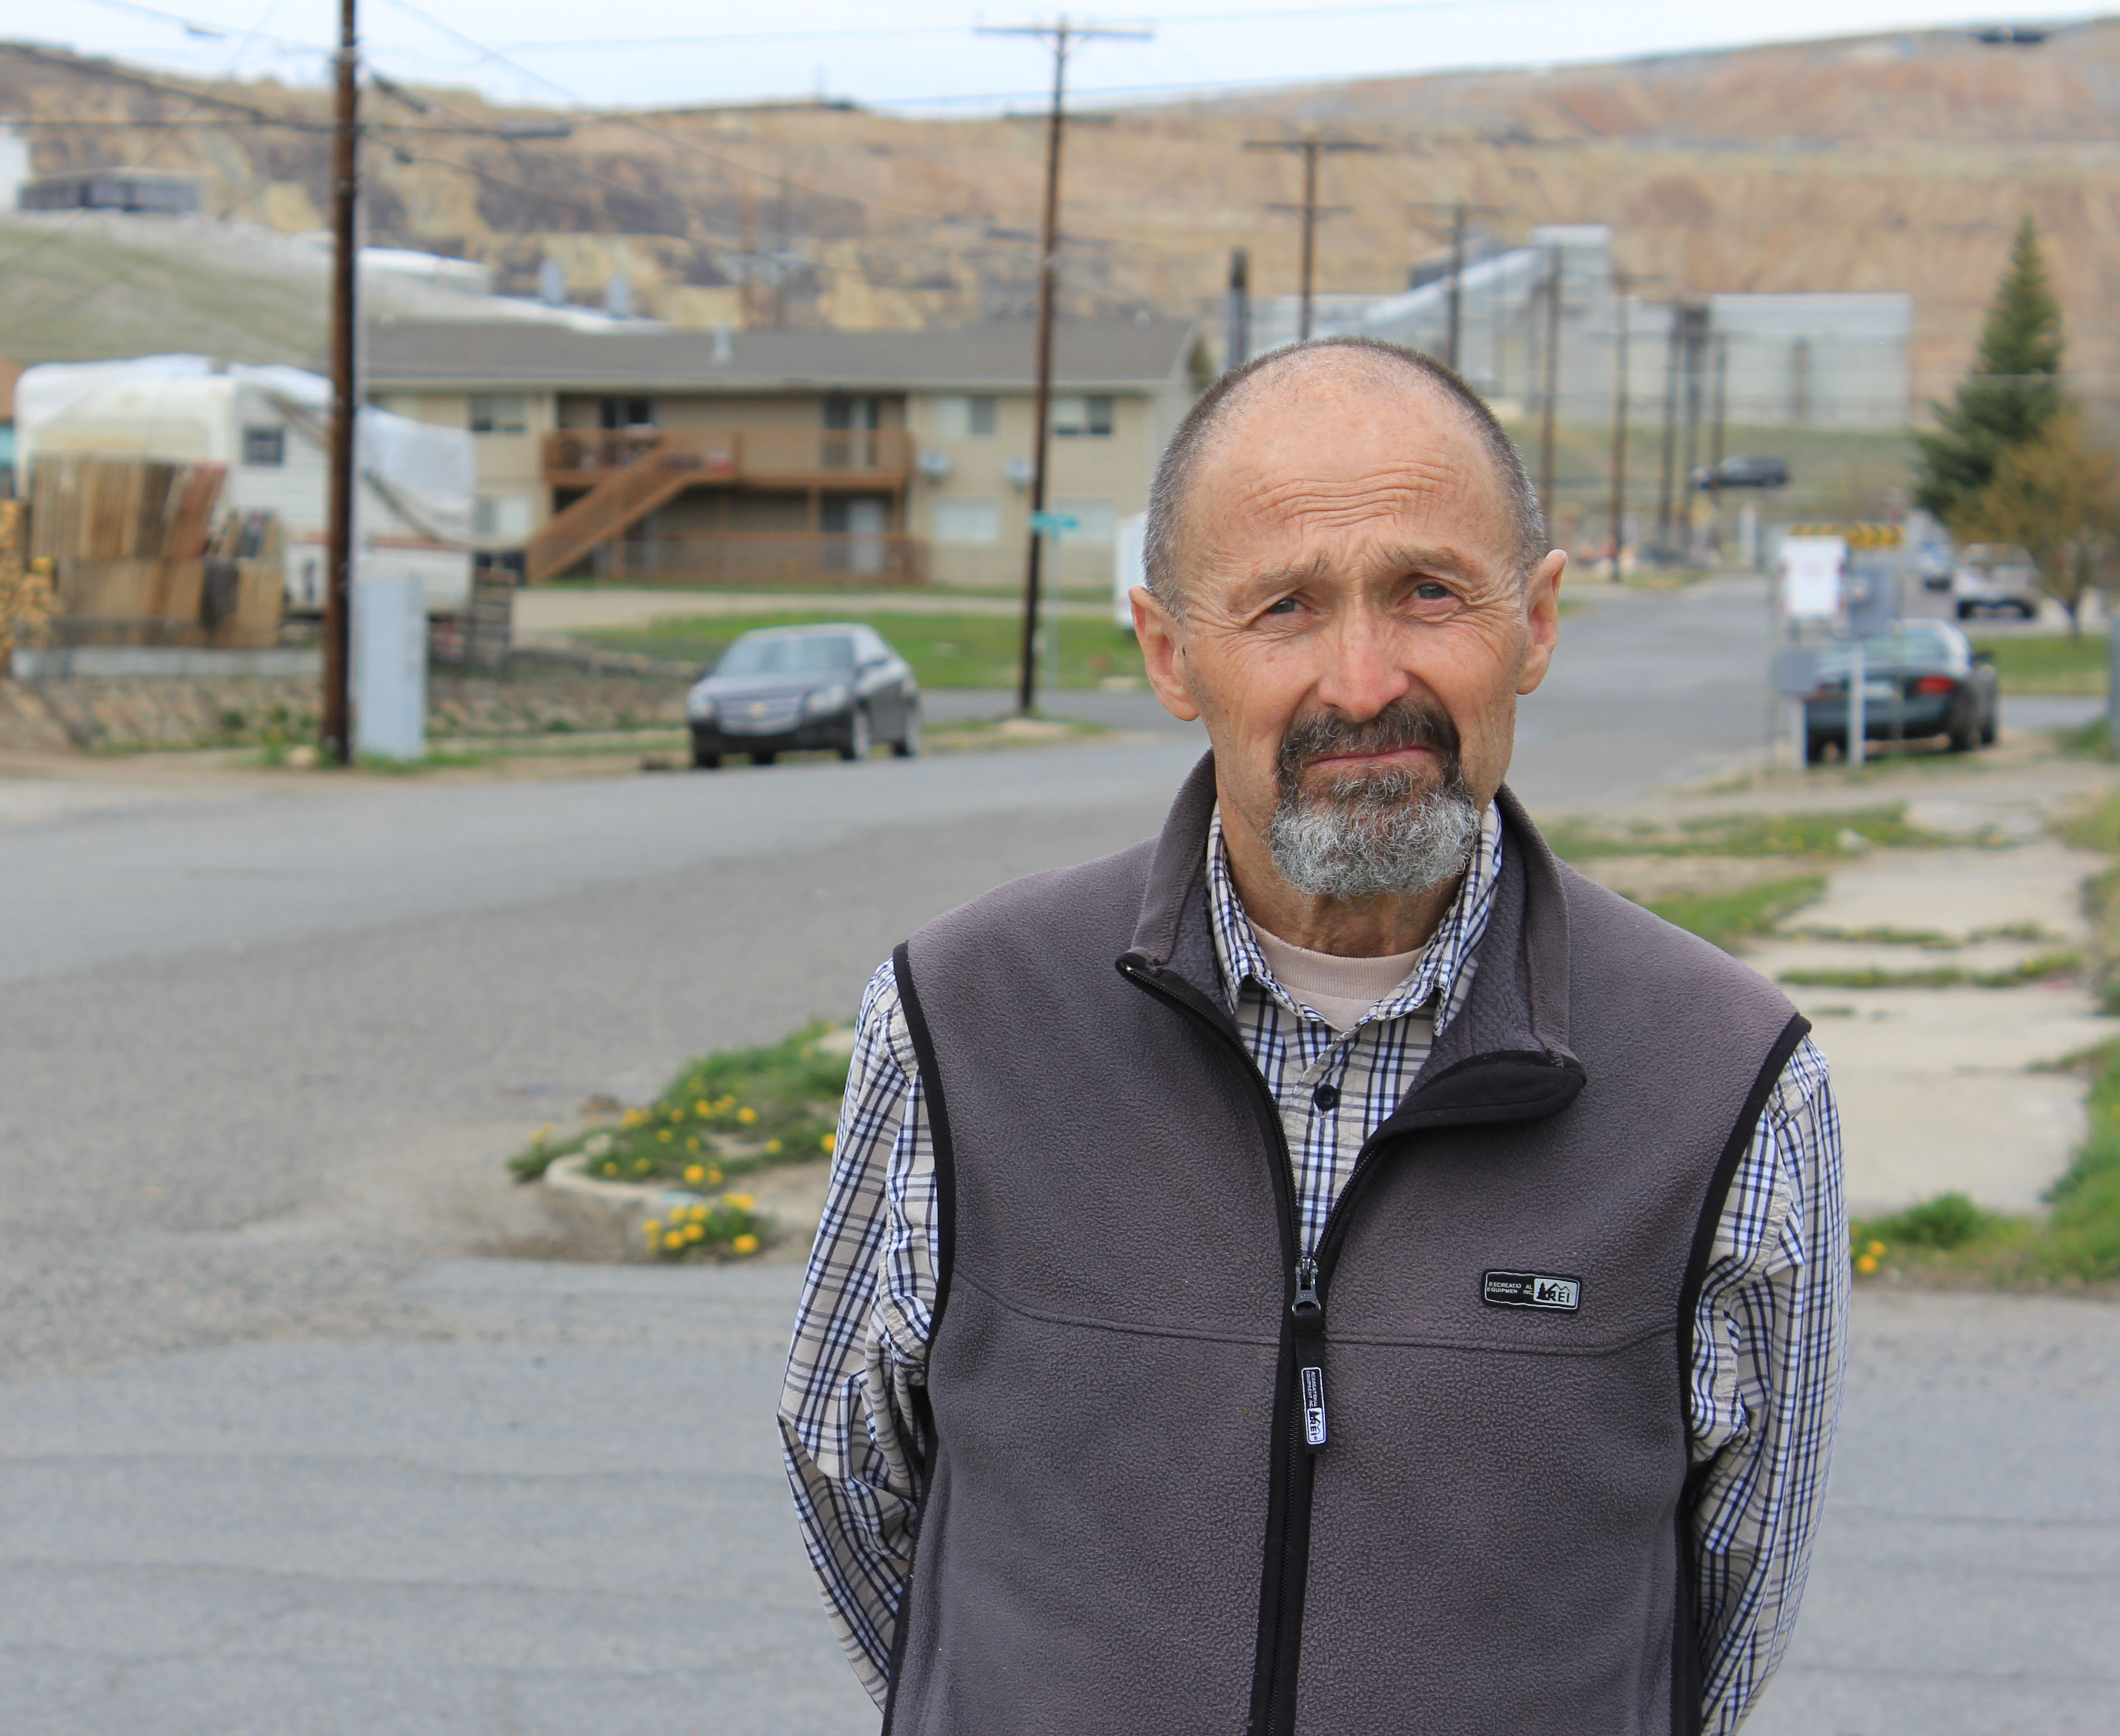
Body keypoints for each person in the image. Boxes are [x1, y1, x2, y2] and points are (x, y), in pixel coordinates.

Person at [780, 338, 1845, 1735]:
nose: (1360, 681)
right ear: (1172, 653)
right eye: (1284, 606)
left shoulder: (1729, 1081)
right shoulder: (959, 1019)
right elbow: (859, 1499)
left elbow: (1720, 1610)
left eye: (1428, 592)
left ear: (1536, 622)